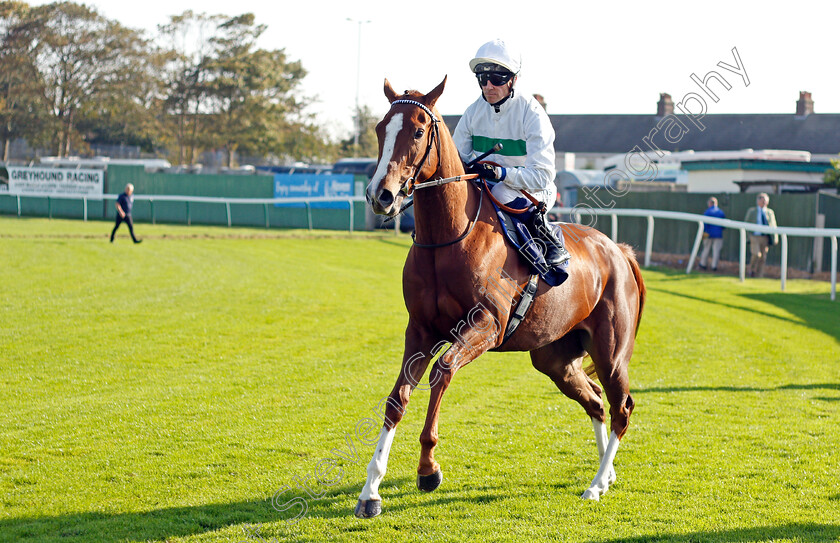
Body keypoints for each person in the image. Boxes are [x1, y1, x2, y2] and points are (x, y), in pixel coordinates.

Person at [453, 39, 569, 273]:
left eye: (497, 79)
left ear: (513, 79)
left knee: (502, 191)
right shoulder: (472, 112)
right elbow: (456, 162)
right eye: (482, 80)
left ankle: (547, 244)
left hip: (533, 190)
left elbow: (543, 176)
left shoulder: (533, 115)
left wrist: (502, 173)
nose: (488, 86)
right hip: (485, 184)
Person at [744, 192, 777, 277]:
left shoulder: (770, 212)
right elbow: (746, 223)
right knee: (756, 254)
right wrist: (748, 236)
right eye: (763, 201)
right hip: (754, 236)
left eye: (766, 201)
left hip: (765, 237)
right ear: (758, 201)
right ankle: (750, 269)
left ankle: (759, 274)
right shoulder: (752, 211)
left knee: (763, 257)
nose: (764, 203)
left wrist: (775, 237)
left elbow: (773, 225)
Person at [698, 197, 726, 271]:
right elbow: (724, 225)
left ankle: (703, 264)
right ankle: (714, 266)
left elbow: (704, 225)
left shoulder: (707, 212)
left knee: (706, 249)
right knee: (716, 251)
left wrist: (703, 235)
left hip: (708, 234)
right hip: (718, 234)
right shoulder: (721, 212)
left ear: (710, 203)